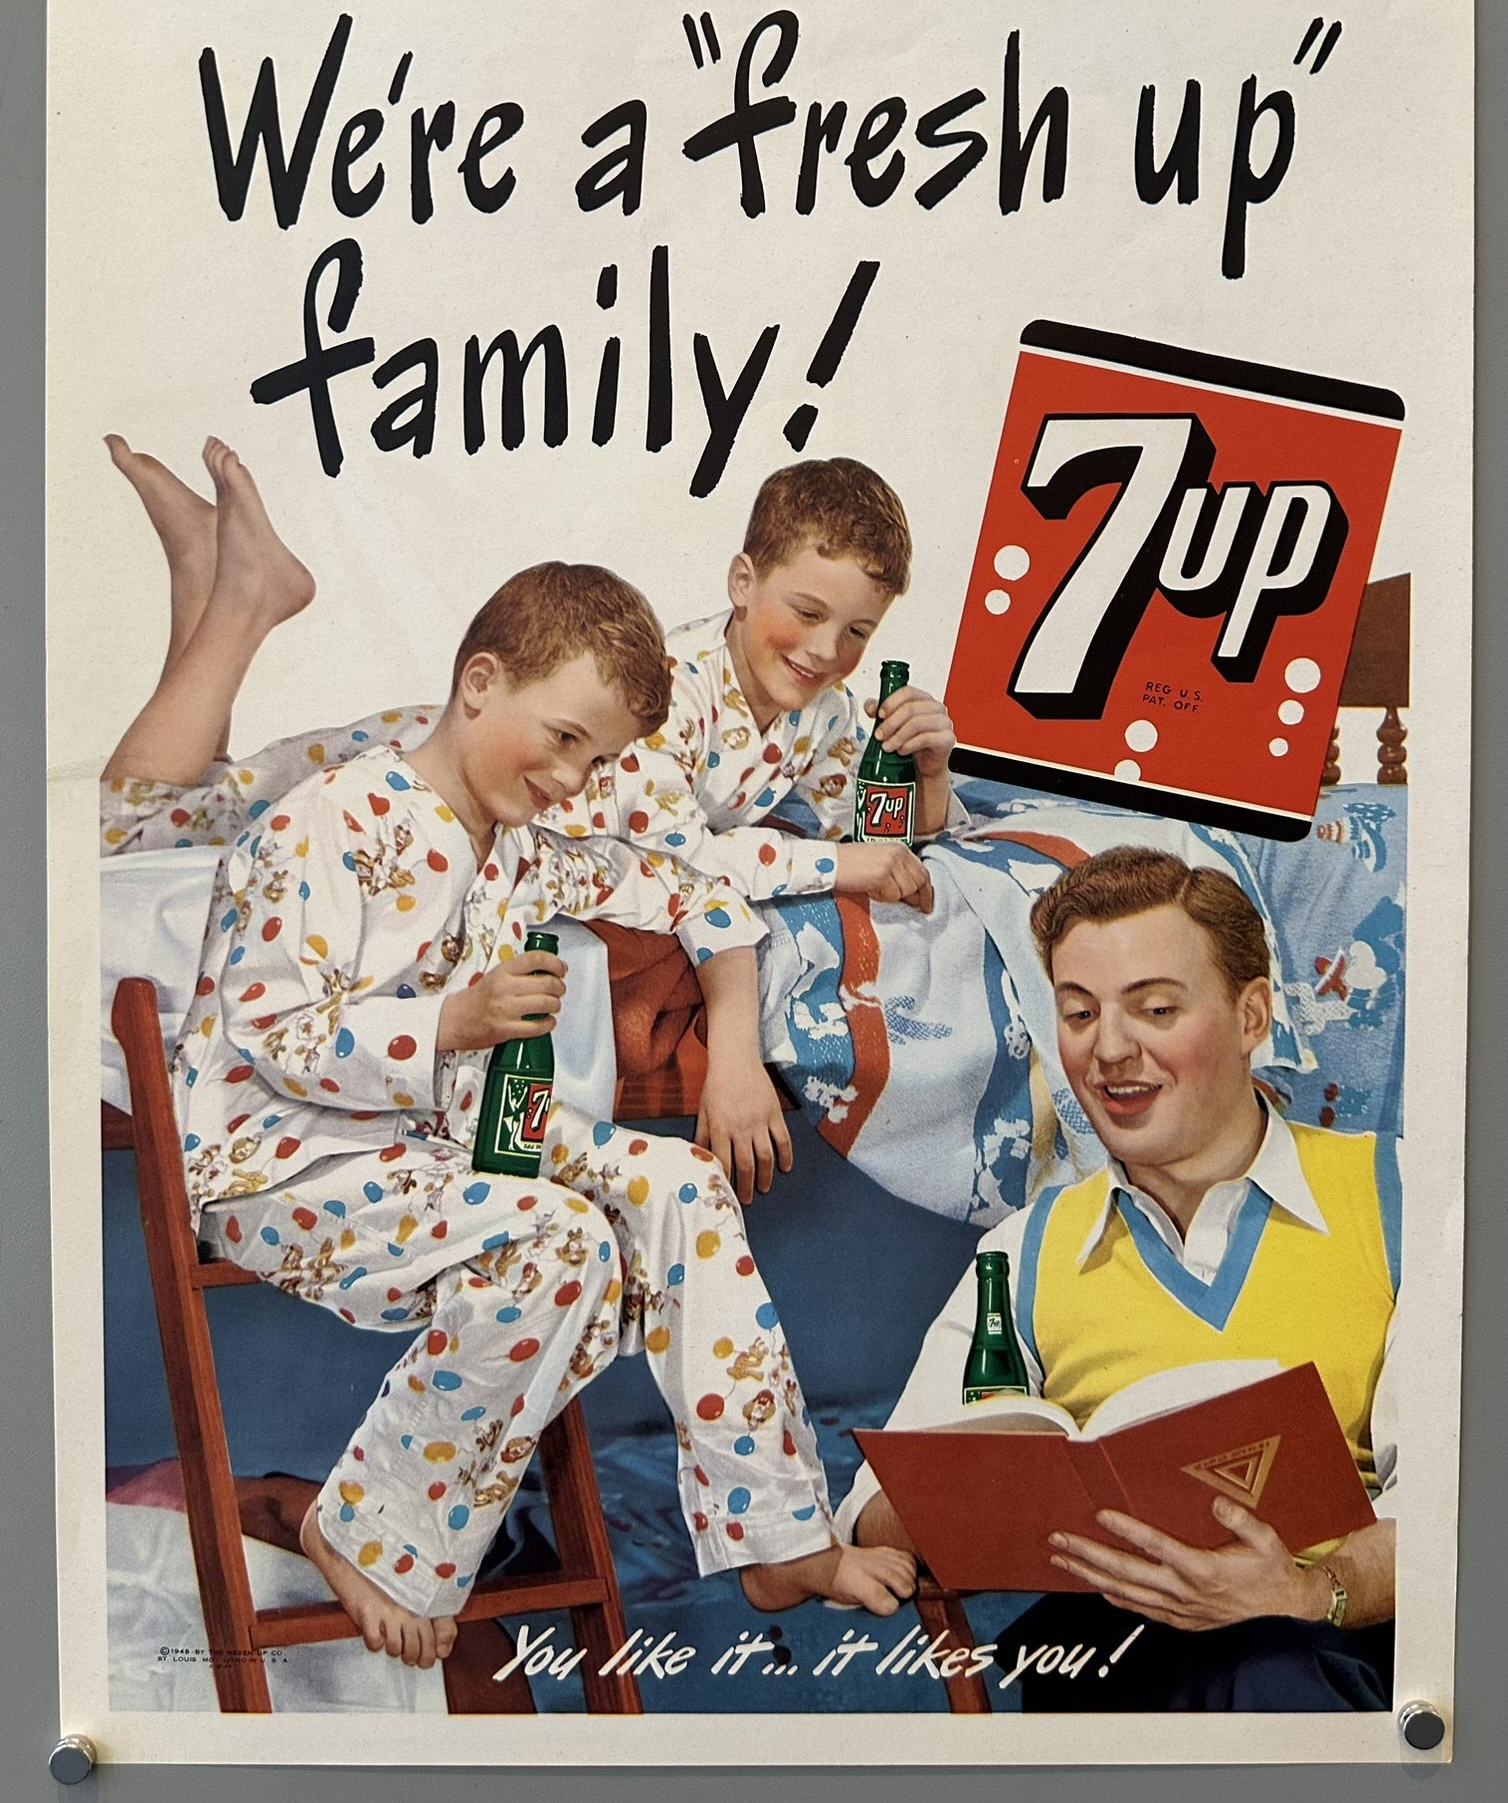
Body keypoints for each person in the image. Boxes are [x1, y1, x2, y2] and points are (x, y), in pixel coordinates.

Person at [138, 547, 919, 1669]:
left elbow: (696, 889)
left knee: (678, 1182)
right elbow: (272, 1038)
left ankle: (775, 1529)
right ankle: (369, 1523)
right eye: (561, 740)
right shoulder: (323, 823)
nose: (570, 777)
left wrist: (738, 1031)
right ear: (478, 684)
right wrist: (448, 1024)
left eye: (595, 758)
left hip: (438, 1146)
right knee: (563, 1243)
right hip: (284, 1162)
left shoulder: (526, 850)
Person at [101, 443, 960, 1203]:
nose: (824, 650)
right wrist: (835, 869)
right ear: (743, 584)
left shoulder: (826, 710)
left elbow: (880, 834)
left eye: (857, 631)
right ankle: (243, 595)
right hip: (448, 771)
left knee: (182, 810)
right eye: (806, 614)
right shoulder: (665, 694)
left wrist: (928, 773)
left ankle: (207, 576)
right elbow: (691, 859)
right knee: (136, 828)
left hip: (529, 796)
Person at [837, 847, 1399, 1712]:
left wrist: (1302, 1591)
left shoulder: (1400, 1199)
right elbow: (879, 1515)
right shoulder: (1025, 1251)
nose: (1109, 1050)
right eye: (1078, 1013)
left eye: (1157, 1008)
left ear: (1252, 1017)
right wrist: (989, 1485)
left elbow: (1460, 1510)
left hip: (1350, 1654)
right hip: (1118, 1664)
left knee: (1264, 1667)